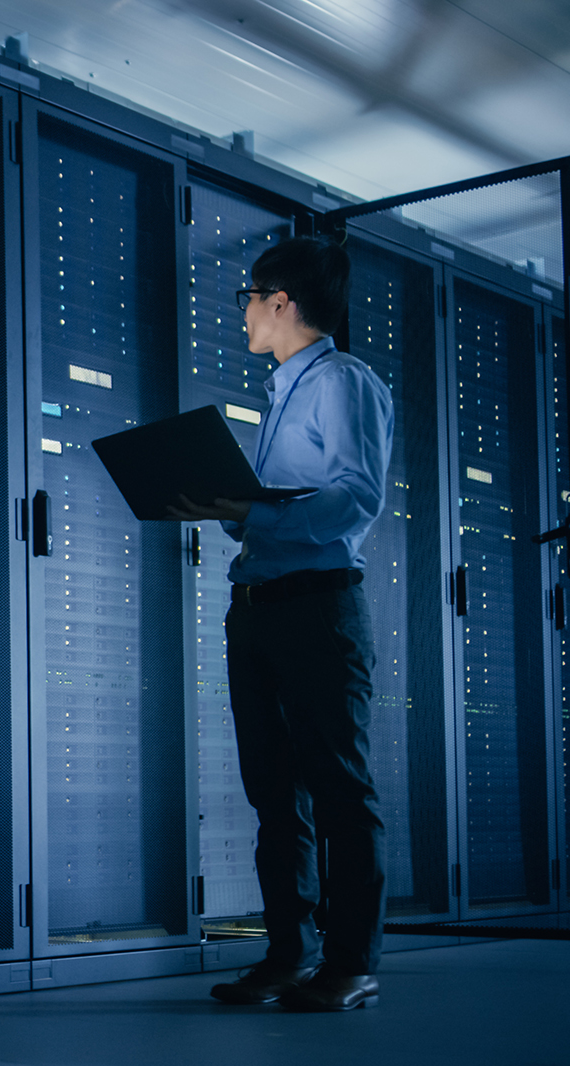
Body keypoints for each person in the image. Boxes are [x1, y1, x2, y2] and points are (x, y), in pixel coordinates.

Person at [167, 235, 394, 1012]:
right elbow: (277, 516)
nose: (244, 313)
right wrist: (234, 509)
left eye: (249, 297)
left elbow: (356, 496)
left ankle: (351, 963)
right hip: (259, 608)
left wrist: (258, 510)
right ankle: (289, 955)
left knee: (338, 790)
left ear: (280, 302)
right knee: (274, 793)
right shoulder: (281, 394)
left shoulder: (341, 381)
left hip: (317, 607)